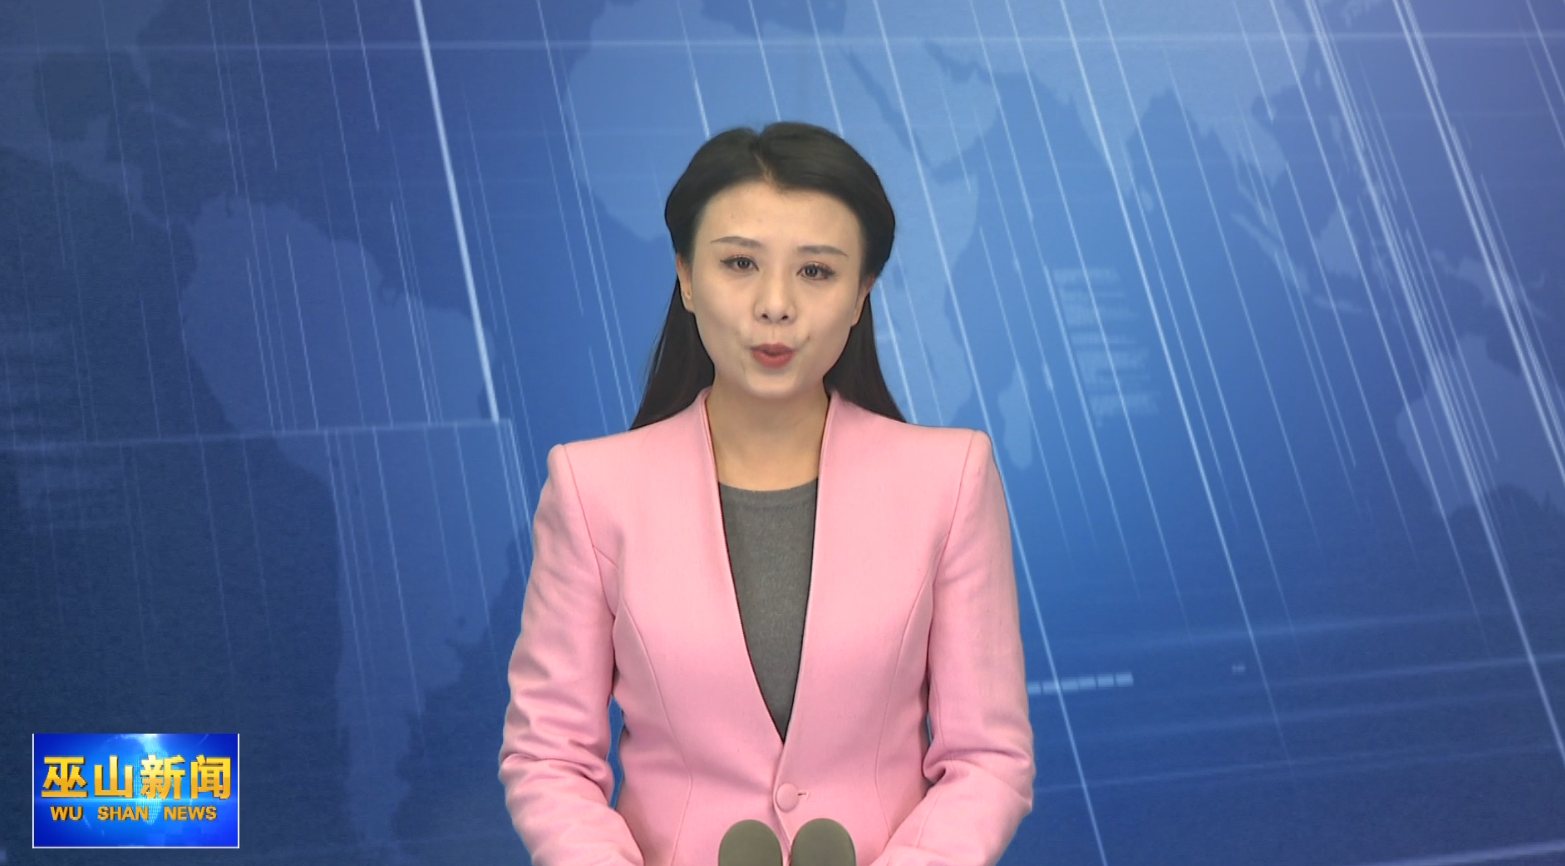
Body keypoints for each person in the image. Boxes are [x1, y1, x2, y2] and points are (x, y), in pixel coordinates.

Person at [499, 121, 1034, 866]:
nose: (775, 304)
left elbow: (987, 758)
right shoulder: (593, 490)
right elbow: (548, 757)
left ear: (862, 293)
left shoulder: (950, 480)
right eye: (740, 263)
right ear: (686, 277)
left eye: (815, 271)